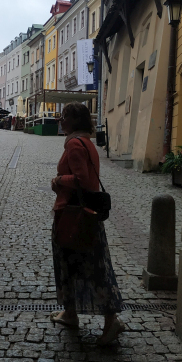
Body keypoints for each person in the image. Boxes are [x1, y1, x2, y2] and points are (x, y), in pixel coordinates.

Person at [50, 102, 124, 345]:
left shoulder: (74, 143)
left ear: (75, 120)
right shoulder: (87, 142)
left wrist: (59, 180)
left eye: (65, 117)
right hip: (85, 214)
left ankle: (110, 321)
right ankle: (70, 313)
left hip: (73, 215)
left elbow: (82, 180)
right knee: (87, 265)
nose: (61, 120)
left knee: (84, 267)